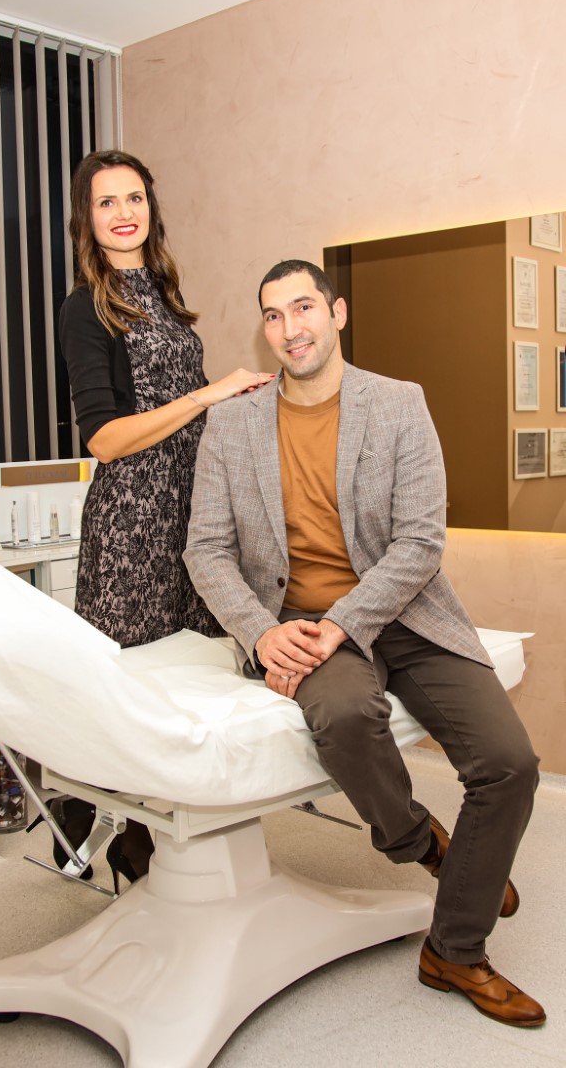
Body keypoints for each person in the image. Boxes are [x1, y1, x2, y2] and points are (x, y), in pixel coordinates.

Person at [184, 258, 545, 1027]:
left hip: (401, 613)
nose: (290, 329)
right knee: (347, 716)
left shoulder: (397, 404)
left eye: (303, 308)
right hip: (295, 624)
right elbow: (205, 550)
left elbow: (419, 542)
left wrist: (346, 622)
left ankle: (448, 951)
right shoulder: (232, 423)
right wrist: (262, 632)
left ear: (337, 313)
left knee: (509, 763)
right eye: (273, 315)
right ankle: (418, 844)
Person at [52, 149, 273, 889]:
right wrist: (207, 396)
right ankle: (111, 828)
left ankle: (178, 825)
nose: (124, 213)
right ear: (87, 219)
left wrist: (234, 402)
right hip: (132, 523)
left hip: (192, 510)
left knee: (195, 675)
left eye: (135, 198)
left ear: (151, 208)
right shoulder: (85, 308)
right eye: (106, 202)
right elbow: (104, 439)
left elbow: (186, 406)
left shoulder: (168, 300)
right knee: (130, 689)